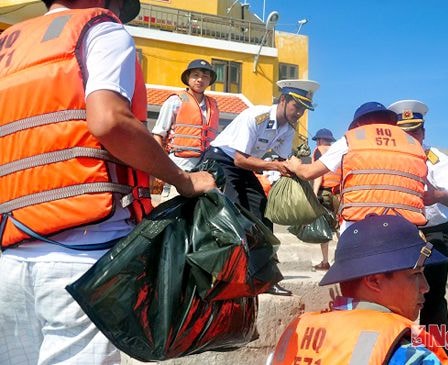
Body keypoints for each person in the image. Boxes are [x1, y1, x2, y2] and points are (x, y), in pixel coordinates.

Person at [0, 1, 216, 364]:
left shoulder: (9, 45)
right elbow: (108, 120)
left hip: (10, 257)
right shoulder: (100, 30)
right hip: (80, 257)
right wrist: (182, 179)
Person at [270, 215, 448, 365]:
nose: (425, 287)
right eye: (416, 274)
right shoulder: (409, 355)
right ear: (374, 281)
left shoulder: (297, 334)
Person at [201, 79, 320, 296]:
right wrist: (273, 165)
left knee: (262, 212)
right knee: (232, 213)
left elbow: (284, 159)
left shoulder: (287, 129)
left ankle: (265, 277)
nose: (300, 113)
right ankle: (223, 274)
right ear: (283, 100)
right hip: (222, 160)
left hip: (246, 164)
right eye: (297, 106)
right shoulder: (256, 116)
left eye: (304, 108)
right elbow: (238, 159)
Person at [389, 99, 448, 361]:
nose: (411, 137)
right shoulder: (390, 159)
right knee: (396, 298)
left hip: (434, 232)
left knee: (432, 296)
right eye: (404, 132)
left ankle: (441, 357)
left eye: (415, 131)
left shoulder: (437, 159)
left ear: (424, 131)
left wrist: (437, 194)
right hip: (402, 231)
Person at [287, 101, 427, 234]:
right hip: (406, 228)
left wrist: (295, 165)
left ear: (358, 123)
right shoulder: (413, 144)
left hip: (360, 226)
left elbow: (308, 173)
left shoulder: (352, 139)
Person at [152, 58, 219, 199]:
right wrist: (161, 165)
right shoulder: (175, 101)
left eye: (205, 76)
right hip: (178, 167)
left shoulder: (213, 105)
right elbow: (158, 134)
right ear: (188, 78)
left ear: (209, 81)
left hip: (204, 170)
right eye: (195, 75)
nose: (200, 79)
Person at [310, 128, 340, 270]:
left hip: (325, 193)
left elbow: (318, 175)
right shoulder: (339, 151)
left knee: (325, 228)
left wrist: (314, 195)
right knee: (340, 227)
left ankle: (325, 261)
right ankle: (344, 258)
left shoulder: (318, 151)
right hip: (340, 194)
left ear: (319, 140)